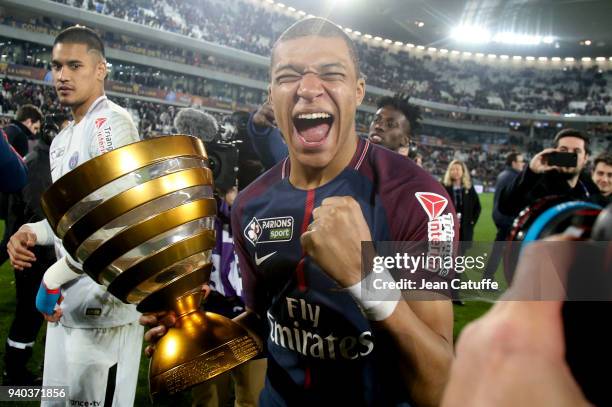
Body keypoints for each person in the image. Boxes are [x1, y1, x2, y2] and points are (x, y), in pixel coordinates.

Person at [144, 17, 456, 407]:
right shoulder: (250, 204)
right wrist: (198, 337)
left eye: (331, 73)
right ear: (271, 96)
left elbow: (440, 387)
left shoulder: (420, 198)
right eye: (289, 76)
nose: (309, 88)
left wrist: (368, 280)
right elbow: (265, 324)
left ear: (358, 91)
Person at [6, 26, 143, 407]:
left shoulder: (111, 125)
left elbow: (113, 223)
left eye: (74, 65)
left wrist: (51, 277)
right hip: (67, 308)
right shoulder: (65, 138)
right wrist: (31, 231)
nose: (61, 75)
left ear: (101, 69)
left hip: (106, 312)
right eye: (56, 66)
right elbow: (70, 222)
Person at [2, 114, 68, 386]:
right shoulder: (42, 164)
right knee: (29, 315)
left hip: (31, 250)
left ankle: (16, 371)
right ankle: (15, 377)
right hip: (34, 254)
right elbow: (41, 216)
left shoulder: (42, 158)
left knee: (30, 314)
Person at [246, 92, 421, 169]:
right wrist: (261, 128)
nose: (379, 125)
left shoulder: (417, 185)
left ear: (406, 140)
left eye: (391, 124)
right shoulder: (343, 161)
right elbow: (285, 160)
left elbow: (438, 246)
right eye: (377, 119)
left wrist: (361, 246)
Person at [499, 129, 599, 217]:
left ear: (585, 158)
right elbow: (506, 207)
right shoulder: (538, 183)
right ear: (553, 153)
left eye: (576, 151)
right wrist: (530, 171)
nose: (569, 155)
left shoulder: (589, 187)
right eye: (563, 150)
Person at [482, 152, 525, 281]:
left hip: (501, 217)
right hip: (507, 218)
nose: (523, 164)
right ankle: (489, 278)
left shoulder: (504, 175)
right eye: (521, 161)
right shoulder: (512, 177)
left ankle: (488, 278)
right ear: (513, 163)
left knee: (499, 249)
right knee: (506, 251)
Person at [442, 160, 481, 249]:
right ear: (449, 171)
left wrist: (471, 222)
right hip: (448, 230)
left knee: (460, 256)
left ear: (463, 171)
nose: (455, 171)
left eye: (458, 169)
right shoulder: (443, 187)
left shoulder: (469, 188)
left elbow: (477, 207)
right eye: (453, 169)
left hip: (464, 230)